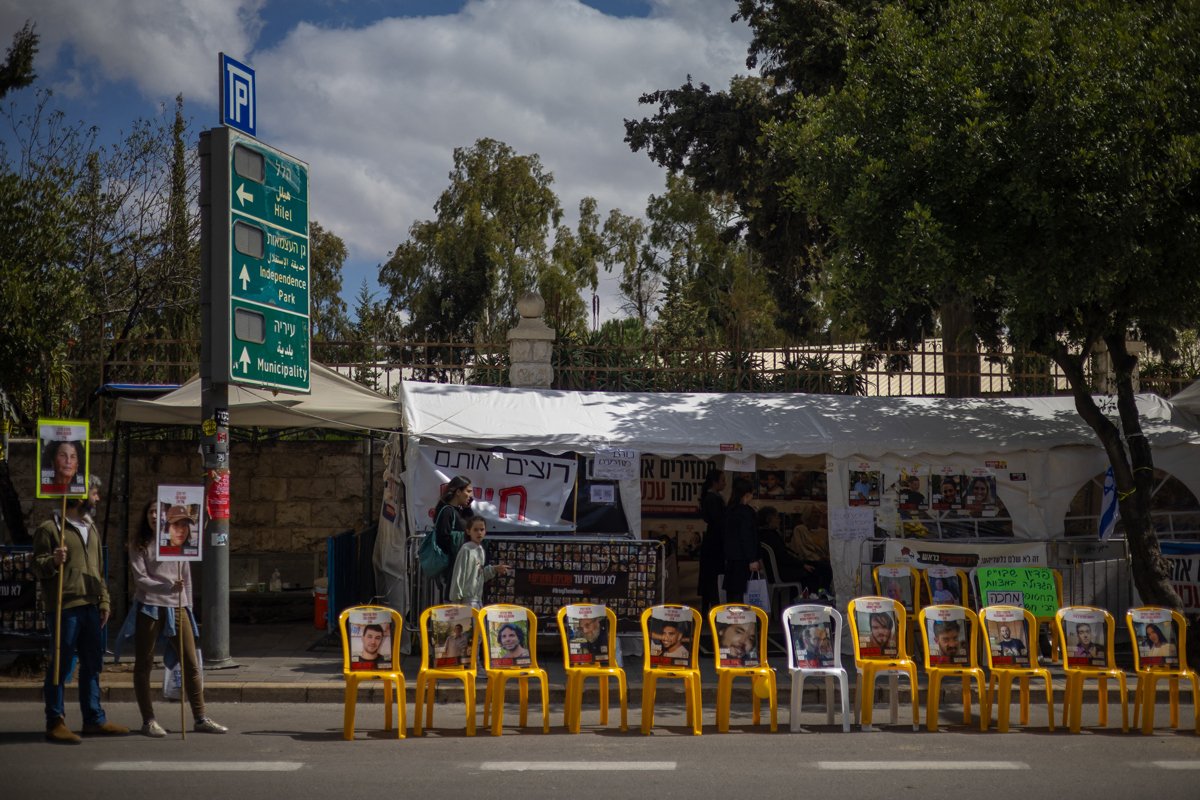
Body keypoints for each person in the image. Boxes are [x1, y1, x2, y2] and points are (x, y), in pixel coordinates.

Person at [33, 475, 129, 743]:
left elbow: (98, 571)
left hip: (91, 606)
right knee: (61, 666)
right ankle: (55, 720)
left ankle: (94, 719)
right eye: (94, 493)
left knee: (93, 664)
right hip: (66, 607)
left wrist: (105, 600)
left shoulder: (91, 528)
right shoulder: (50, 528)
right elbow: (36, 566)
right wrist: (53, 560)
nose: (97, 498)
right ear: (79, 494)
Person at [130, 499, 227, 737]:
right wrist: (168, 588)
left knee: (191, 663)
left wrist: (188, 605)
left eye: (158, 512)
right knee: (144, 663)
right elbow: (140, 579)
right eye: (150, 511)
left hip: (178, 607)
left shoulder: (177, 540)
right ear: (145, 516)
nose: (154, 516)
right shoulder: (140, 544)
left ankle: (200, 717)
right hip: (149, 607)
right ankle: (148, 720)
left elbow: (186, 576)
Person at [449, 516, 510, 608]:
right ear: (468, 531)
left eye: (482, 529)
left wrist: (494, 569)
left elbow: (479, 575)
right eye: (476, 530)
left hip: (477, 599)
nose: (479, 533)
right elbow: (459, 574)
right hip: (465, 600)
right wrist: (456, 600)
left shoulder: (480, 549)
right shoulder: (466, 549)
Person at [722, 477, 762, 604]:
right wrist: (752, 559)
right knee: (744, 595)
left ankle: (732, 621)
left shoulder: (729, 510)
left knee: (733, 594)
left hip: (731, 558)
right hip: (744, 559)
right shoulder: (746, 512)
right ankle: (745, 622)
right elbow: (747, 537)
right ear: (747, 494)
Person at [697, 467, 726, 616]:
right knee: (713, 577)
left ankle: (707, 608)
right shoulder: (712, 498)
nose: (725, 484)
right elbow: (718, 520)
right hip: (715, 543)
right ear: (715, 482)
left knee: (710, 577)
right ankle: (713, 607)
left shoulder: (712, 497)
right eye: (722, 481)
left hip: (712, 542)